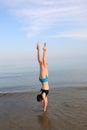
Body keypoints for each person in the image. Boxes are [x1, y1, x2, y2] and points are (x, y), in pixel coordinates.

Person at [37, 42, 49, 112]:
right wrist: (44, 109)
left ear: (41, 98)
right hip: (46, 78)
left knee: (41, 63)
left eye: (41, 101)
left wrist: (44, 105)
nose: (42, 101)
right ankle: (44, 50)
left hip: (43, 79)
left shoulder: (43, 95)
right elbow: (46, 102)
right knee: (45, 63)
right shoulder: (44, 95)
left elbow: (44, 100)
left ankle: (39, 50)